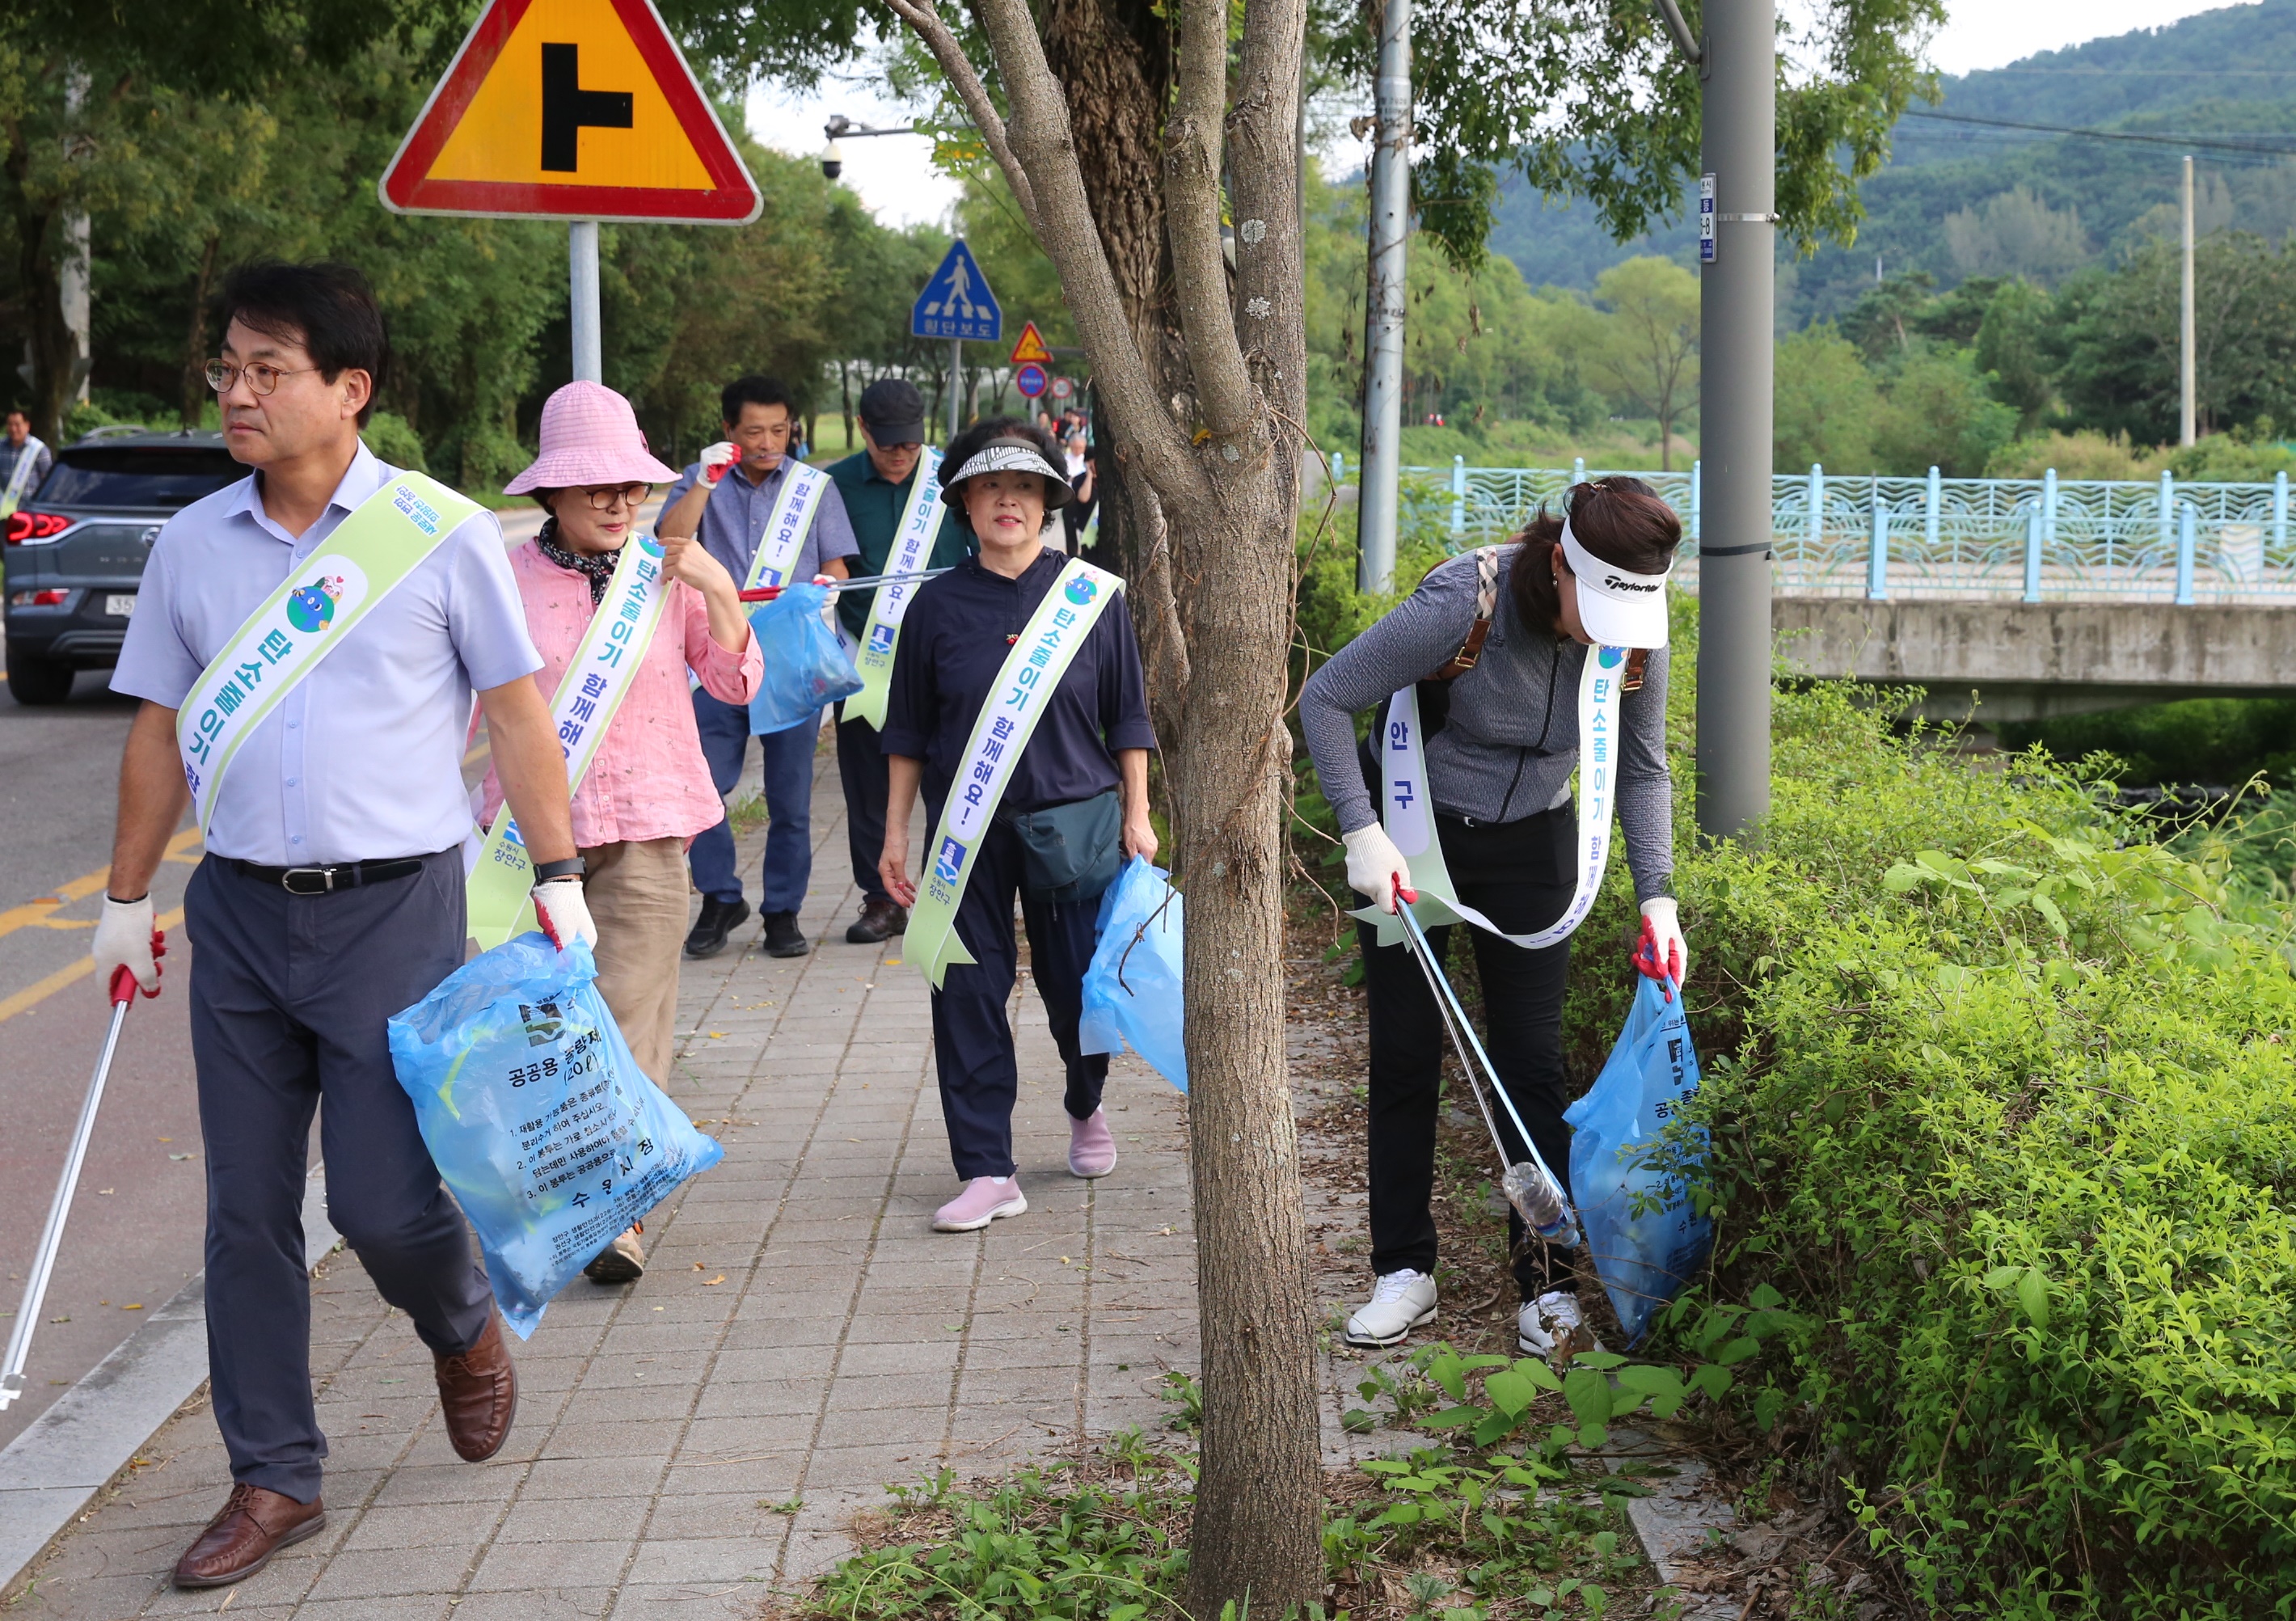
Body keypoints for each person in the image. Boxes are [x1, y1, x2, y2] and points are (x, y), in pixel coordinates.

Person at [94, 261, 589, 1588]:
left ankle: (460, 1318)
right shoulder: (194, 545)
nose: (237, 394)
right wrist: (125, 898)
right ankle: (274, 1476)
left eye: (269, 371)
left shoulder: (436, 533)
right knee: (245, 1212)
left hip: (398, 914)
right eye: (229, 370)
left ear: (349, 390)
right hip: (242, 920)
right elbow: (157, 724)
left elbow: (520, 715)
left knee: (380, 1203)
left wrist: (560, 875)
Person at [1298, 477, 1689, 1360]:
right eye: (1588, 607)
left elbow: (1641, 768)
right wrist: (1361, 832)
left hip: (1533, 848)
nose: (1604, 634)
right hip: (1414, 834)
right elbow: (1324, 698)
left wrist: (1655, 895)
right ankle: (1404, 1270)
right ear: (1557, 565)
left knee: (1529, 1065)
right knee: (1403, 1052)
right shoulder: (1463, 600)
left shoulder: (1635, 630)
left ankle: (1545, 1285)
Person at [481, 381, 763, 1284]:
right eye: (592, 486)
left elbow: (735, 685)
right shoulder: (502, 583)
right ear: (549, 494)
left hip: (646, 833)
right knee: (549, 1030)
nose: (616, 501)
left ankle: (616, 1217)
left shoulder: (663, 577)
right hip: (527, 846)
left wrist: (718, 587)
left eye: (629, 485)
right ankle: (564, 1197)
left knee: (631, 1022)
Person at [877, 418, 1157, 1232]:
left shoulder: (1090, 597)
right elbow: (904, 733)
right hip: (966, 839)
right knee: (964, 989)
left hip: (1075, 824)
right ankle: (986, 1168)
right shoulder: (932, 608)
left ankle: (1084, 1099)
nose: (1009, 500)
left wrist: (1137, 815)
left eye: (1027, 487)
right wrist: (895, 836)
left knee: (1077, 990)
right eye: (991, 486)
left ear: (1048, 501)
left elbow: (1129, 719)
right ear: (963, 502)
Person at [659, 375, 859, 960]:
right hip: (714, 659)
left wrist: (829, 592)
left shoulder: (812, 488)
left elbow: (837, 564)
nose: (769, 441)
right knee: (704, 788)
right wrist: (702, 480)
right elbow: (670, 541)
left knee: (790, 800)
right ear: (728, 431)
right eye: (754, 431)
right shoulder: (701, 484)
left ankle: (783, 911)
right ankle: (721, 896)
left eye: (779, 429)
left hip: (789, 662)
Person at [825, 378, 974, 945]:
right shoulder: (832, 486)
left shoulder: (950, 483)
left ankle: (949, 896)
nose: (898, 454)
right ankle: (883, 900)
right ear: (862, 428)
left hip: (945, 659)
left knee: (952, 778)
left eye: (909, 444)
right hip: (863, 661)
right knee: (868, 786)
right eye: (887, 442)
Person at [1, 407, 53, 513]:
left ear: (27, 426)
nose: (13, 429)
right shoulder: (1, 447)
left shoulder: (39, 449)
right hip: (4, 510)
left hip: (30, 511)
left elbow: (48, 483)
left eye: (17, 424)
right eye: (10, 424)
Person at [1060, 432, 1096, 555]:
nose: (1077, 450)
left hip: (1085, 494)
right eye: (1075, 447)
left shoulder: (1088, 458)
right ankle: (1072, 554)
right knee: (1069, 526)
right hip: (1069, 497)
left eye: (1080, 447)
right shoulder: (1065, 459)